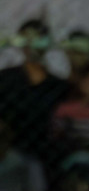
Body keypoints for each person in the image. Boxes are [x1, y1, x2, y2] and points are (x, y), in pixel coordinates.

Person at [0, 20, 68, 162]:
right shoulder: (5, 79)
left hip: (47, 154)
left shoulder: (59, 86)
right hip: (8, 153)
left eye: (37, 39)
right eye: (26, 38)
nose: (31, 44)